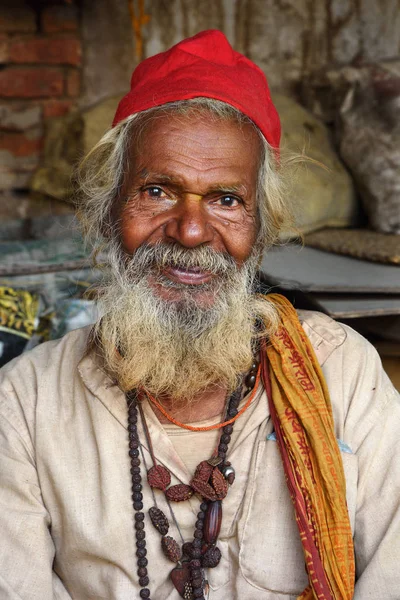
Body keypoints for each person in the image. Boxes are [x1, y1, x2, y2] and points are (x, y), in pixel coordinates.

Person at [0, 30, 399, 600]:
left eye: (227, 200)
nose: (190, 232)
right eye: (158, 191)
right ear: (108, 213)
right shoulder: (25, 404)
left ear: (261, 230)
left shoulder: (343, 375)